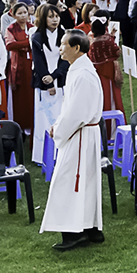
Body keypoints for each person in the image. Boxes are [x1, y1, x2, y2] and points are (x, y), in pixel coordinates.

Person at [40, 30, 105, 252]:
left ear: (76, 48)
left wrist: (59, 130)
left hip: (80, 134)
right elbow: (72, 107)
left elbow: (77, 113)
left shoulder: (83, 74)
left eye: (63, 44)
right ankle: (88, 227)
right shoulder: (78, 69)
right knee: (84, 182)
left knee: (70, 182)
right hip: (81, 132)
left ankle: (75, 232)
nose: (60, 48)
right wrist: (58, 123)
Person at [30, 3, 67, 147]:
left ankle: (60, 150)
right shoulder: (37, 37)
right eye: (51, 17)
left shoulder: (64, 35)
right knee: (44, 118)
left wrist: (55, 76)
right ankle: (43, 152)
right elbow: (38, 62)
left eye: (57, 16)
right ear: (43, 18)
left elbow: (66, 59)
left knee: (61, 115)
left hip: (61, 81)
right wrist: (49, 82)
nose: (55, 19)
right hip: (43, 82)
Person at [3, 2, 35, 136]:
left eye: (25, 12)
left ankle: (32, 124)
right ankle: (20, 126)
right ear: (14, 15)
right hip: (18, 65)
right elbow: (10, 45)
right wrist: (28, 43)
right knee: (20, 97)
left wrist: (22, 44)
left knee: (32, 95)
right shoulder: (11, 28)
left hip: (32, 64)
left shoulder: (32, 27)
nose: (23, 16)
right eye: (19, 13)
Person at [87, 18, 122, 114]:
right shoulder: (107, 40)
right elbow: (116, 52)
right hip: (109, 69)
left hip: (96, 70)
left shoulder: (91, 40)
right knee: (111, 94)